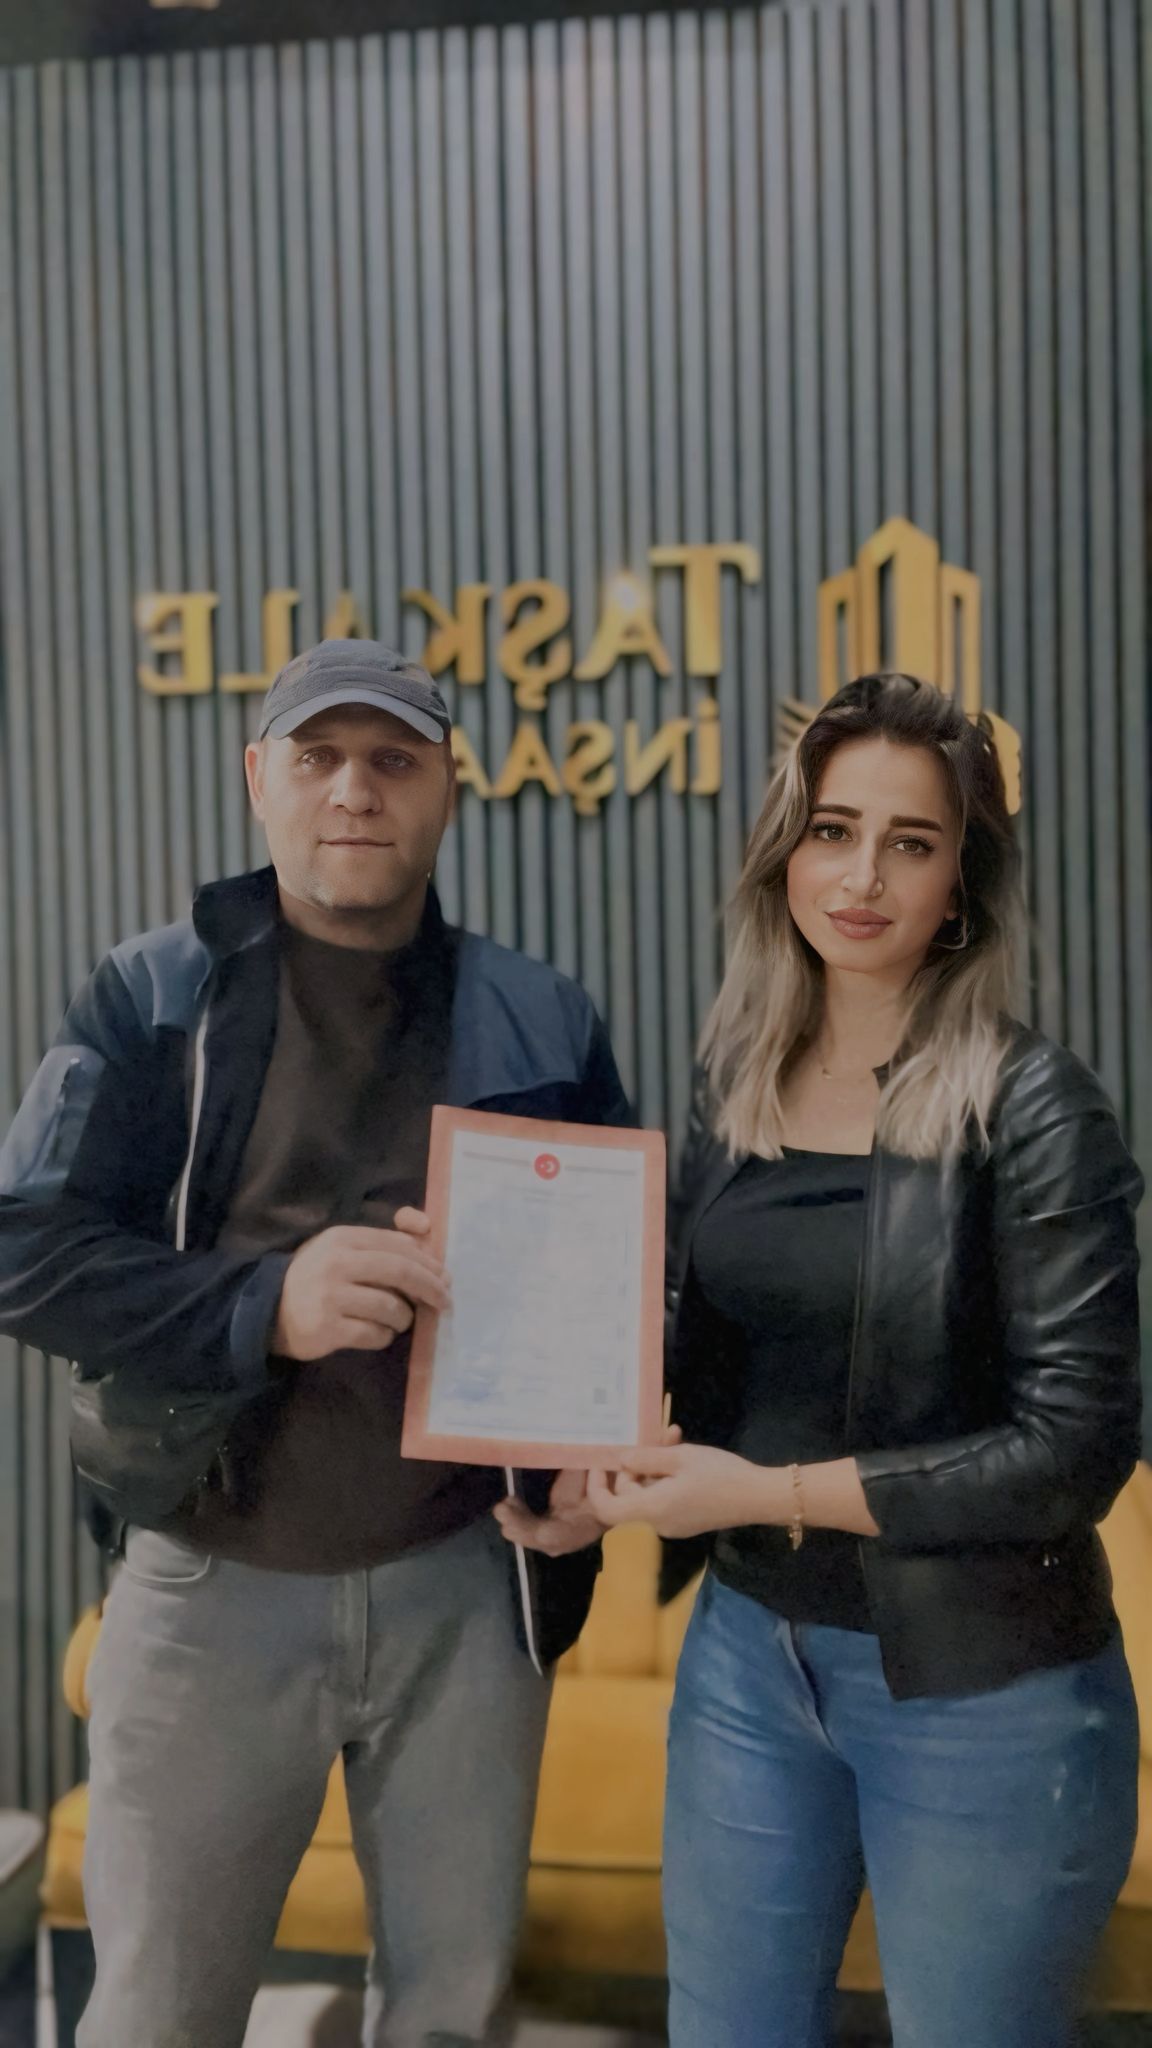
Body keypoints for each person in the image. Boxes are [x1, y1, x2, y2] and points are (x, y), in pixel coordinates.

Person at [0, 639, 616, 2048]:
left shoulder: (544, 1016)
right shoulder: (152, 998)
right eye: (318, 757)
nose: (354, 791)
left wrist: (588, 1459)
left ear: (448, 787)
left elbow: (615, 1288)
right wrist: (263, 1306)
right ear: (257, 779)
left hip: (468, 1595)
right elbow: (24, 1250)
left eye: (393, 760)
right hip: (210, 1584)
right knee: (157, 2022)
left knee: (451, 2019)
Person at [579, 674, 1142, 2047]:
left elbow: (1072, 1450)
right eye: (833, 831)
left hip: (985, 1689)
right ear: (786, 856)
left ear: (961, 888)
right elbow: (693, 1354)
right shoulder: (740, 1084)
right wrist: (569, 1462)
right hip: (747, 1662)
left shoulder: (1035, 1108)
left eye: (912, 841)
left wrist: (762, 1494)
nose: (862, 875)